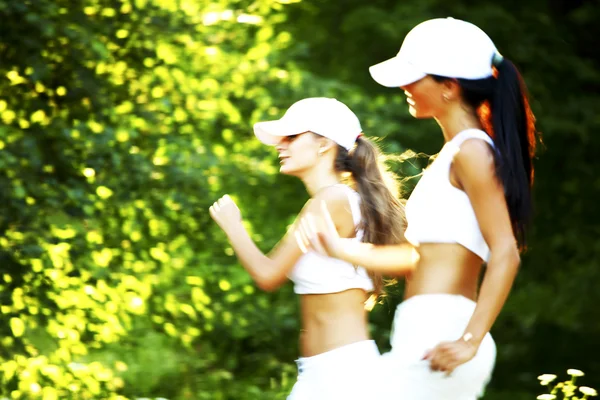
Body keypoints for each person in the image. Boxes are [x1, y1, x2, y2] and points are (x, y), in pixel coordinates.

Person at [299, 17, 540, 399]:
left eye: (414, 77)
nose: (404, 87)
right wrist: (342, 248)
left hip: (443, 335)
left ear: (449, 87)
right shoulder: (454, 153)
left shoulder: (472, 151)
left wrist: (469, 341)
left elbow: (506, 253)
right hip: (423, 331)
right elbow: (420, 258)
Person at [208, 97, 412, 399]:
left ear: (323, 144)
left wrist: (233, 225)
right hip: (325, 374)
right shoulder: (336, 201)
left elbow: (268, 275)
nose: (280, 145)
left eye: (291, 136)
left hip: (341, 377)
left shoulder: (331, 201)